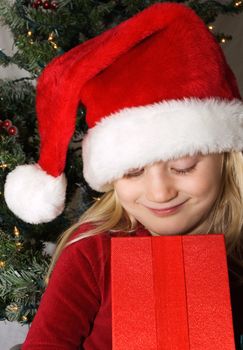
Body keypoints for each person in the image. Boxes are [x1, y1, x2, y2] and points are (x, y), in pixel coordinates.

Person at [4, 2, 243, 349]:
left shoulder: (235, 248)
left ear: (225, 157)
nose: (160, 193)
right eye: (132, 172)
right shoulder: (92, 252)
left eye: (184, 166)